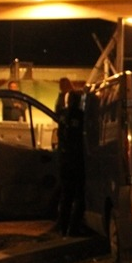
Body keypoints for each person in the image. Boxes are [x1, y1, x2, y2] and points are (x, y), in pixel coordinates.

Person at [56, 80, 86, 236]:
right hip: (77, 161)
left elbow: (60, 134)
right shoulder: (81, 116)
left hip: (64, 160)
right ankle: (74, 229)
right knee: (80, 196)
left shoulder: (62, 114)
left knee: (66, 196)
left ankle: (62, 227)